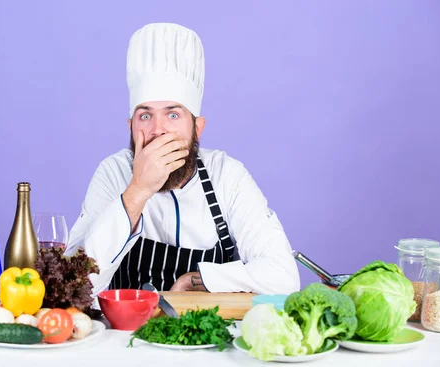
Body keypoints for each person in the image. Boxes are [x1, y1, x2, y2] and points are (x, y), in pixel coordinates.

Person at [66, 23, 300, 296]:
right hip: (120, 336)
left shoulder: (227, 175)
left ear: (197, 128)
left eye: (173, 115)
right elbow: (77, 283)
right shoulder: (113, 173)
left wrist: (206, 278)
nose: (158, 130)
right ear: (131, 125)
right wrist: (137, 191)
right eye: (145, 115)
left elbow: (283, 276)